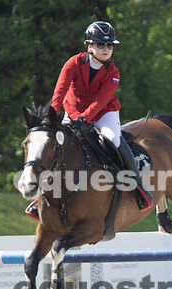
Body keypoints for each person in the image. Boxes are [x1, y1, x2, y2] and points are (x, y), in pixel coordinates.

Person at [49, 20, 153, 211]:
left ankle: (137, 185)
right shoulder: (73, 63)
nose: (106, 49)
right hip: (73, 111)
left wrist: (84, 118)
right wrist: (53, 115)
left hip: (104, 112)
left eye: (110, 45)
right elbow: (60, 91)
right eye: (101, 44)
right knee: (56, 144)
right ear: (89, 46)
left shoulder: (113, 73)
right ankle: (44, 192)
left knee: (112, 139)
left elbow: (101, 101)